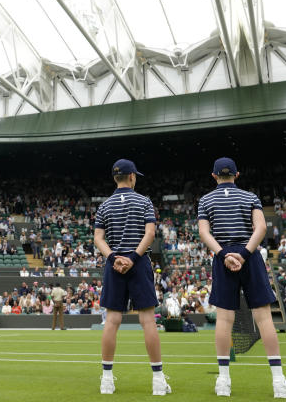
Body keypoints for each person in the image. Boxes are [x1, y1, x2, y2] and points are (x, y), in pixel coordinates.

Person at [197, 158, 286, 398]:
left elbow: (203, 232)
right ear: (237, 175)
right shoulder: (250, 197)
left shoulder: (206, 200)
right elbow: (261, 229)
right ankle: (279, 382)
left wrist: (224, 255)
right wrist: (243, 254)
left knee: (224, 319)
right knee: (264, 319)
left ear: (214, 176)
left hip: (223, 259)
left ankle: (223, 381)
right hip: (249, 257)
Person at [94, 159, 170, 396]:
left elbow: (98, 238)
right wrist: (133, 259)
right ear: (132, 177)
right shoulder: (144, 201)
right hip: (139, 264)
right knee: (148, 320)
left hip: (114, 265)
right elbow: (150, 234)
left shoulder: (104, 205)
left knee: (112, 321)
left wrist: (114, 258)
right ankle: (158, 380)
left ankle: (106, 380)